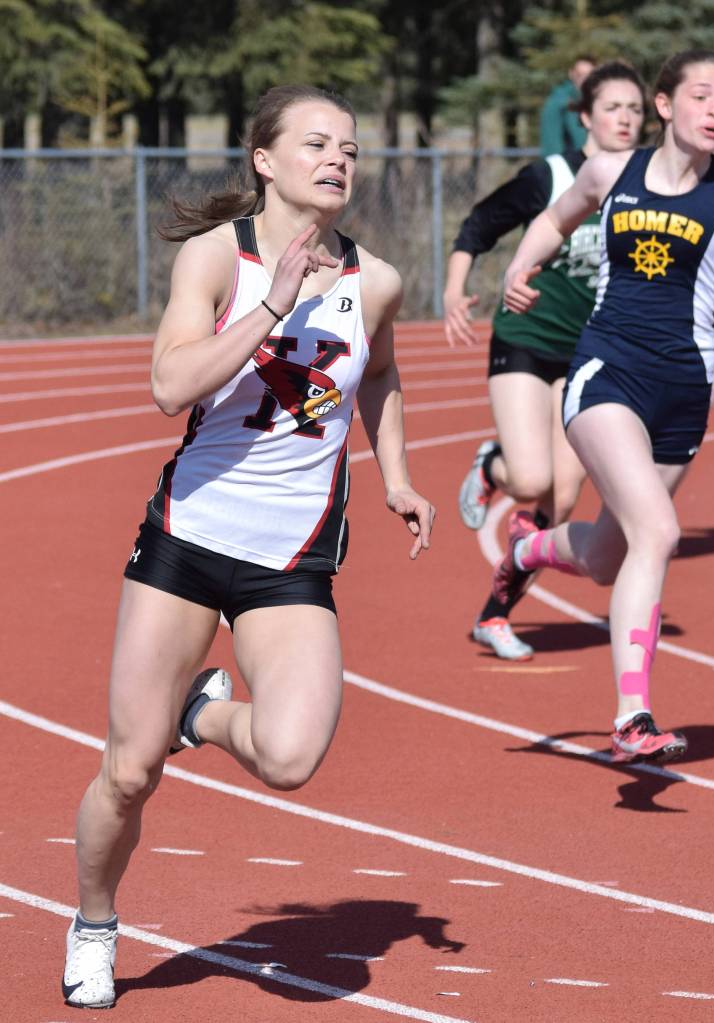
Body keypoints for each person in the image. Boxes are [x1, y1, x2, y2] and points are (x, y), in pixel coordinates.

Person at [61, 84, 435, 1009]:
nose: (339, 159)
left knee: (291, 755)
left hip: (292, 559)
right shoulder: (218, 257)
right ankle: (96, 922)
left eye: (349, 146)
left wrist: (394, 473)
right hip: (189, 542)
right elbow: (167, 384)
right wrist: (267, 308)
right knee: (128, 770)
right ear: (266, 160)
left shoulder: (374, 280)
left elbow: (380, 373)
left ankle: (203, 714)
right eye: (317, 143)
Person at [497, 49, 714, 764]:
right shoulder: (611, 171)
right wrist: (517, 268)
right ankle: (632, 715)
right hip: (606, 372)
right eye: (701, 95)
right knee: (656, 527)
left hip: (683, 395)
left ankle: (528, 548)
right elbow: (554, 219)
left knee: (602, 555)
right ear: (664, 105)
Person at [444, 62, 647, 659]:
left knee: (560, 502)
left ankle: (495, 614)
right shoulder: (553, 175)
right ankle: (492, 466)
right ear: (584, 117)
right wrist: (456, 291)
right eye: (613, 108)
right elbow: (479, 224)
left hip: (588, 350)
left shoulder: (645, 184)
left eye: (635, 109)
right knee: (530, 478)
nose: (626, 119)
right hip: (527, 336)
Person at [539, 56, 596, 156]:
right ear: (571, 74)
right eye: (580, 75)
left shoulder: (599, 101)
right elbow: (552, 145)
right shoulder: (558, 102)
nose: (584, 79)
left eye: (589, 75)